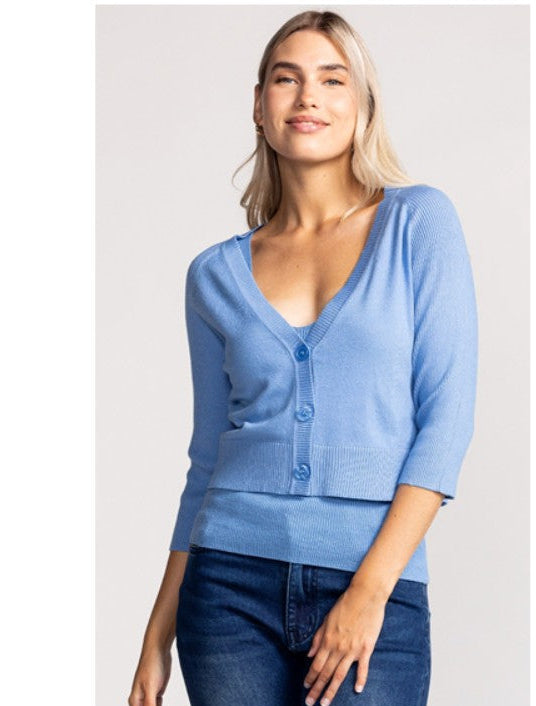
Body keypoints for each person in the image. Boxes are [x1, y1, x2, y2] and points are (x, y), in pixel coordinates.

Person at [129, 10, 478, 706]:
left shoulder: (418, 223)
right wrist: (156, 634)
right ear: (260, 107)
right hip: (226, 589)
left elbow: (446, 421)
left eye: (332, 79)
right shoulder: (214, 275)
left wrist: (369, 592)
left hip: (373, 581)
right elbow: (207, 457)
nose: (308, 96)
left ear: (362, 105)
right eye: (286, 79)